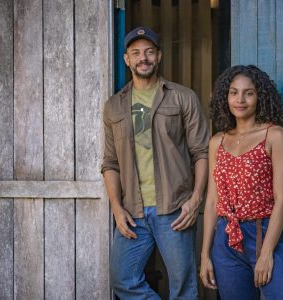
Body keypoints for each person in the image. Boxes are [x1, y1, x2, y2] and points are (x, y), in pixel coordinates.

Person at [101, 26, 210, 299]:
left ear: (159, 56)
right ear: (126, 59)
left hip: (174, 208)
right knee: (123, 280)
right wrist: (116, 207)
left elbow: (202, 152)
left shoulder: (182, 97)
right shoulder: (114, 106)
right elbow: (110, 163)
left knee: (183, 286)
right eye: (136, 52)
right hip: (132, 212)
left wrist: (195, 199)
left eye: (149, 52)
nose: (143, 58)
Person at [200, 65, 283, 299]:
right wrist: (205, 254)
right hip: (225, 239)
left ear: (260, 97)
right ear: (225, 97)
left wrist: (267, 252)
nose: (240, 100)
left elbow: (282, 199)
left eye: (249, 93)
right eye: (233, 92)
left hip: (264, 232)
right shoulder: (217, 141)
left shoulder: (275, 135)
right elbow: (212, 201)